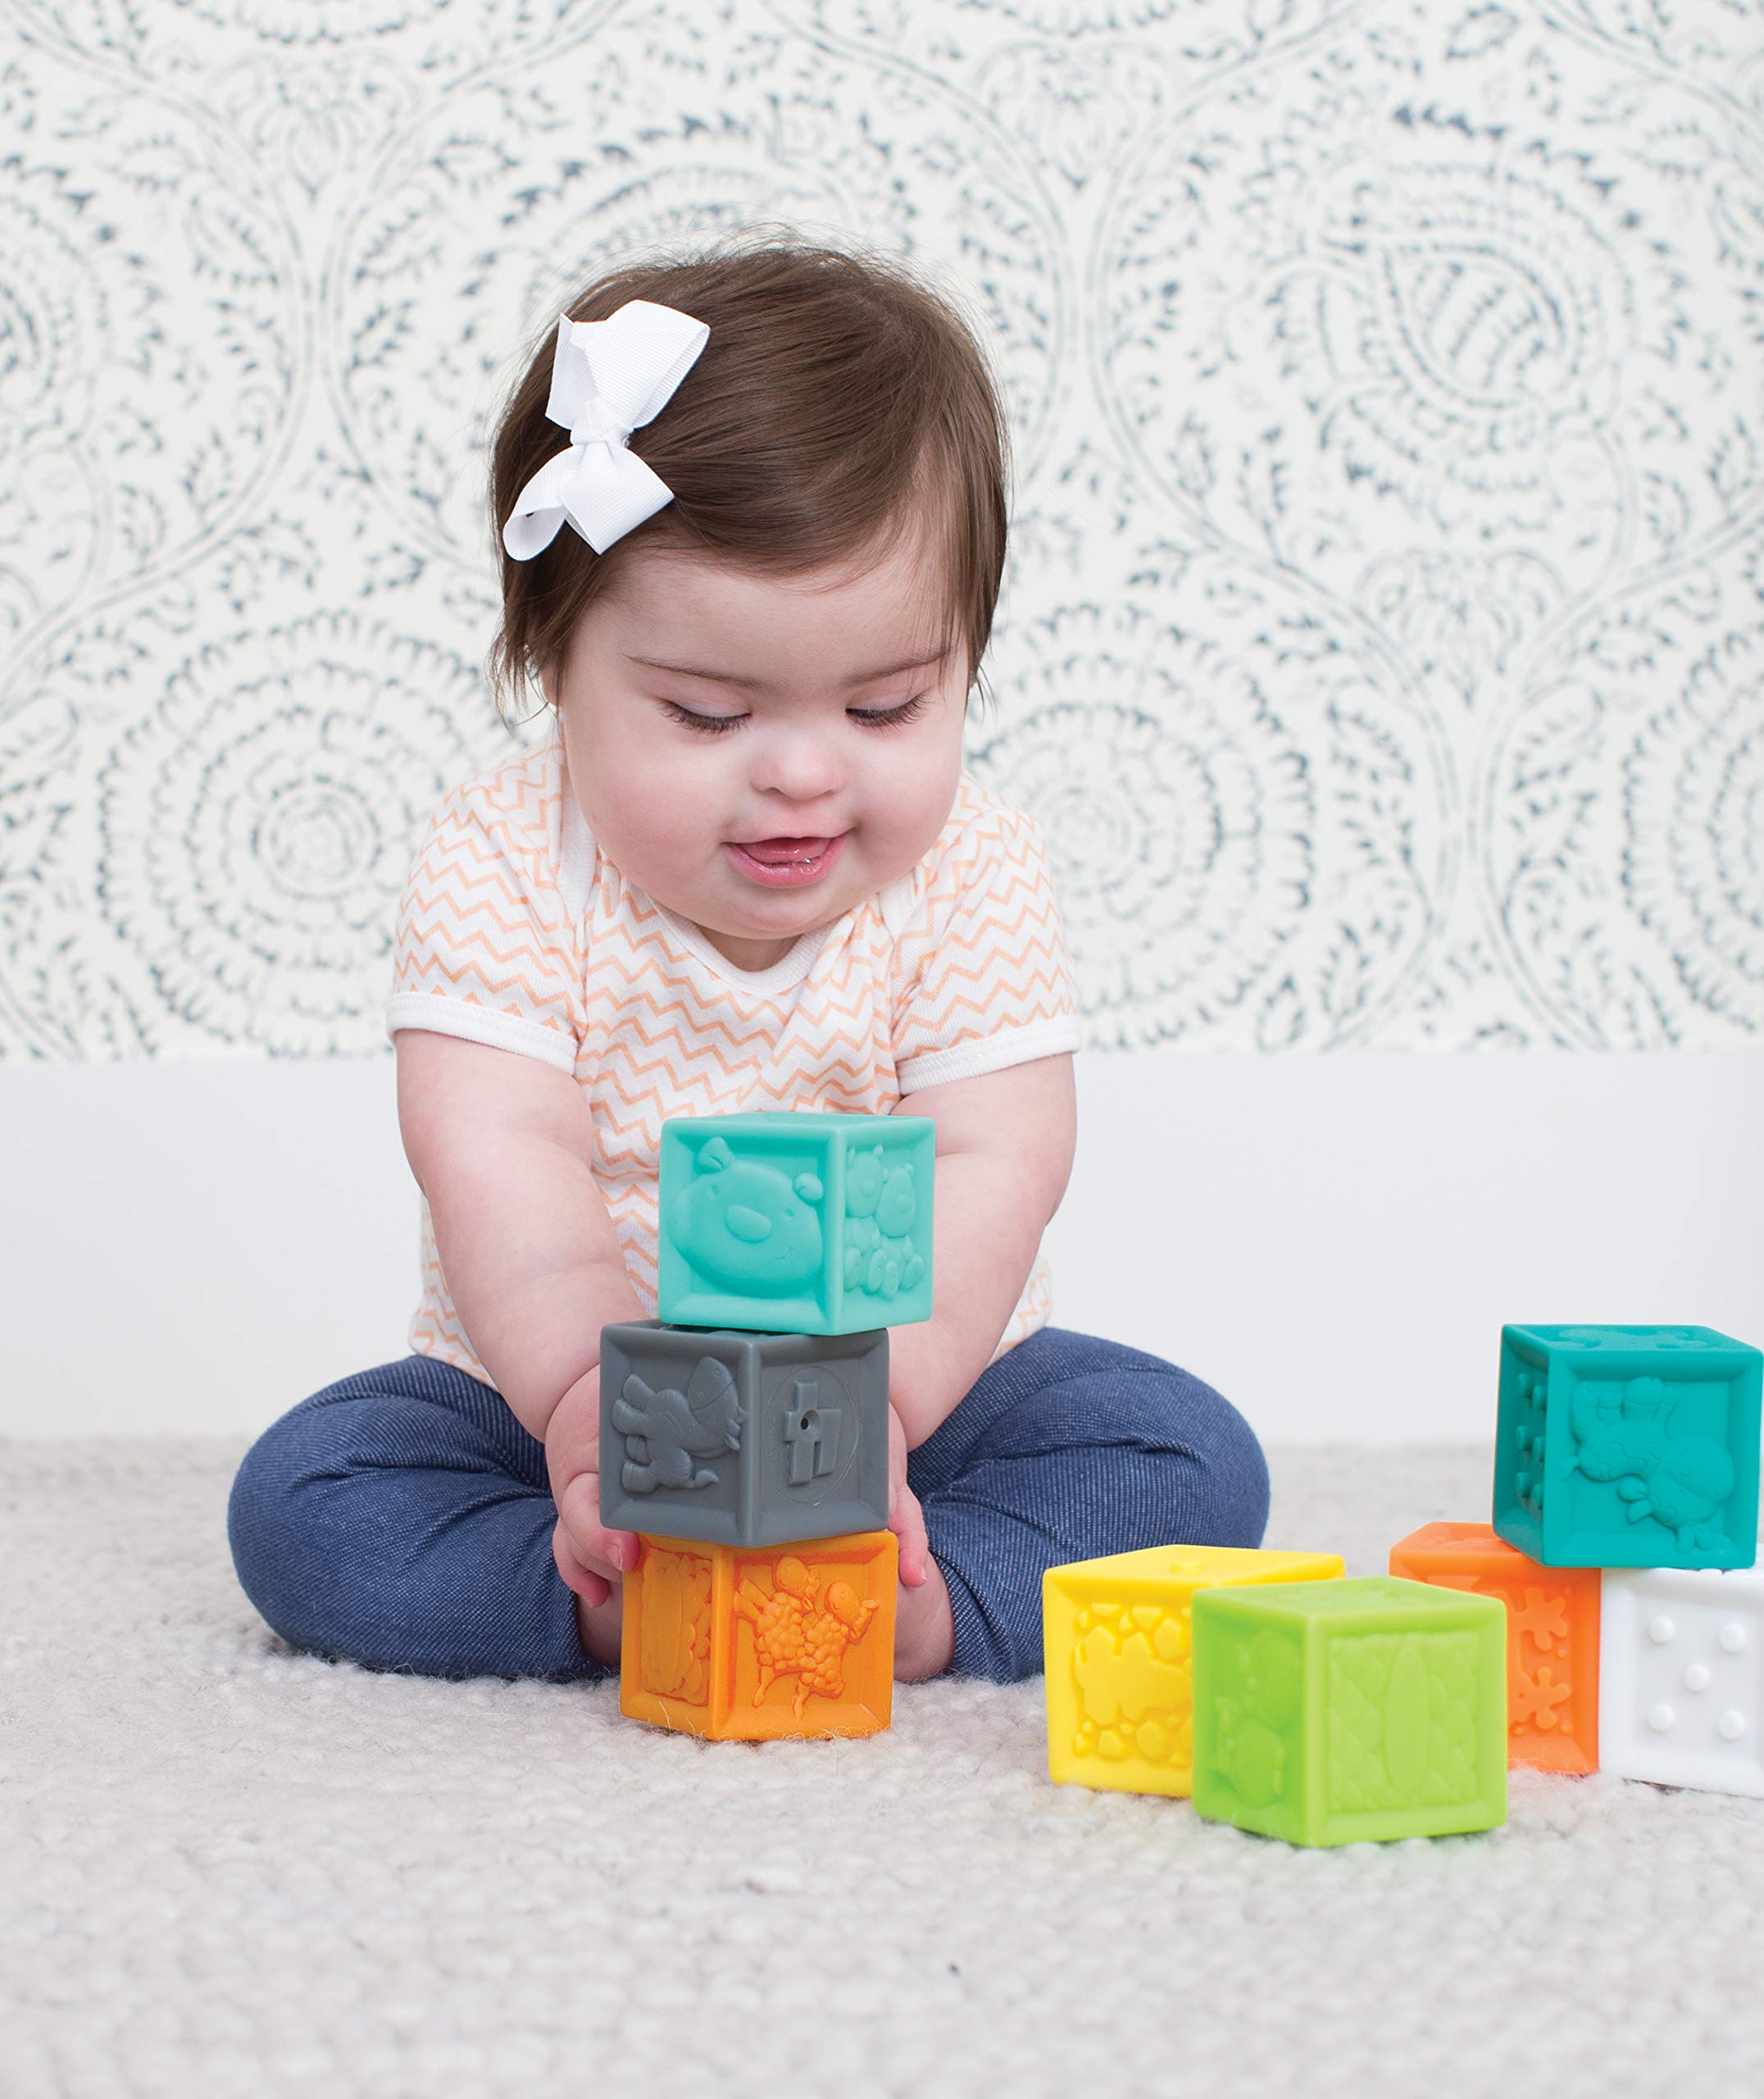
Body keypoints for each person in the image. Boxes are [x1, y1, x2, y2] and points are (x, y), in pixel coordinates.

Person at [227, 232, 1268, 1687]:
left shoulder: (975, 866)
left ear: (965, 659)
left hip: (920, 1387)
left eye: (889, 706)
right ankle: (597, 1598)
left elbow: (995, 1162)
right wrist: (597, 1401)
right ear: (555, 669)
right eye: (711, 716)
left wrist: (872, 1423)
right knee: (310, 1497)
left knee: (1185, 1458)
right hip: (549, 1405)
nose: (800, 776)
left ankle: (924, 1600)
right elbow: (499, 1155)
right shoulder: (504, 856)